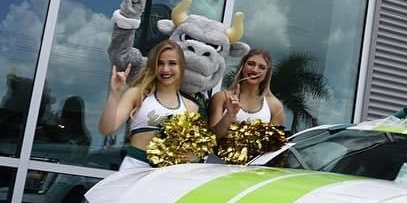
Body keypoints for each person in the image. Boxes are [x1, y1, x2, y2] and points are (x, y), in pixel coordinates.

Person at [98, 41, 199, 172]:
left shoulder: (191, 107)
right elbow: (107, 129)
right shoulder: (138, 94)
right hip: (135, 168)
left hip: (169, 175)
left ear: (181, 67)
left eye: (172, 63)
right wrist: (115, 94)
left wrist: (193, 157)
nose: (165, 69)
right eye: (160, 63)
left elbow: (193, 149)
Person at [208, 48, 285, 138]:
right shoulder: (222, 97)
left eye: (262, 67)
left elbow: (276, 146)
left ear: (267, 74)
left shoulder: (274, 105)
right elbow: (212, 138)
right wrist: (229, 115)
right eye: (251, 64)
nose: (255, 70)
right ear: (242, 66)